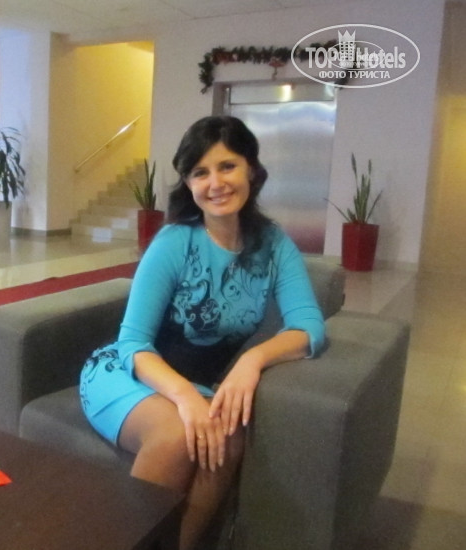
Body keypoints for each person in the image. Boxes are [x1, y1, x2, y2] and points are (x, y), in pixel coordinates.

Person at [79, 115, 326, 550]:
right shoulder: (175, 241)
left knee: (227, 439)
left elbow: (309, 326)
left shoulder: (273, 245)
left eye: (227, 166)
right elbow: (132, 342)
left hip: (195, 385)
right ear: (188, 183)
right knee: (179, 437)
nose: (216, 183)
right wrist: (185, 398)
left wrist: (252, 360)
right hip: (127, 373)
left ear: (252, 169)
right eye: (200, 172)